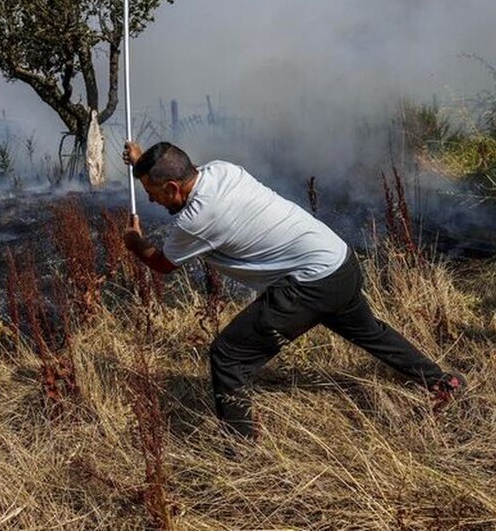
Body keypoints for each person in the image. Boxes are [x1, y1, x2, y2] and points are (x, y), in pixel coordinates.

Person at [121, 141, 464, 439]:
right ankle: (442, 381)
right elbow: (172, 167)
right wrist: (141, 163)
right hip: (338, 261)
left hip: (310, 283)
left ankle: (238, 453)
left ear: (172, 188)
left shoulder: (195, 219)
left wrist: (135, 242)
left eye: (153, 194)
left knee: (229, 356)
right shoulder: (221, 170)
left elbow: (164, 264)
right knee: (369, 332)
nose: (152, 202)